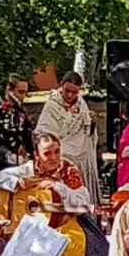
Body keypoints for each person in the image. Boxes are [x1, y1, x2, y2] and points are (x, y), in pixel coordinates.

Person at [34, 72, 101, 202]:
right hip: (61, 152)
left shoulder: (82, 104)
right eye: (67, 91)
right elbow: (43, 132)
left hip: (81, 152)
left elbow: (89, 132)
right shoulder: (52, 105)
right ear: (61, 85)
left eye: (74, 92)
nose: (70, 95)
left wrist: (91, 122)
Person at [0, 75, 35, 177]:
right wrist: (13, 152)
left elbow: (27, 134)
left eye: (25, 92)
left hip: (20, 164)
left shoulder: (21, 112)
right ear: (9, 90)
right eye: (20, 92)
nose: (23, 96)